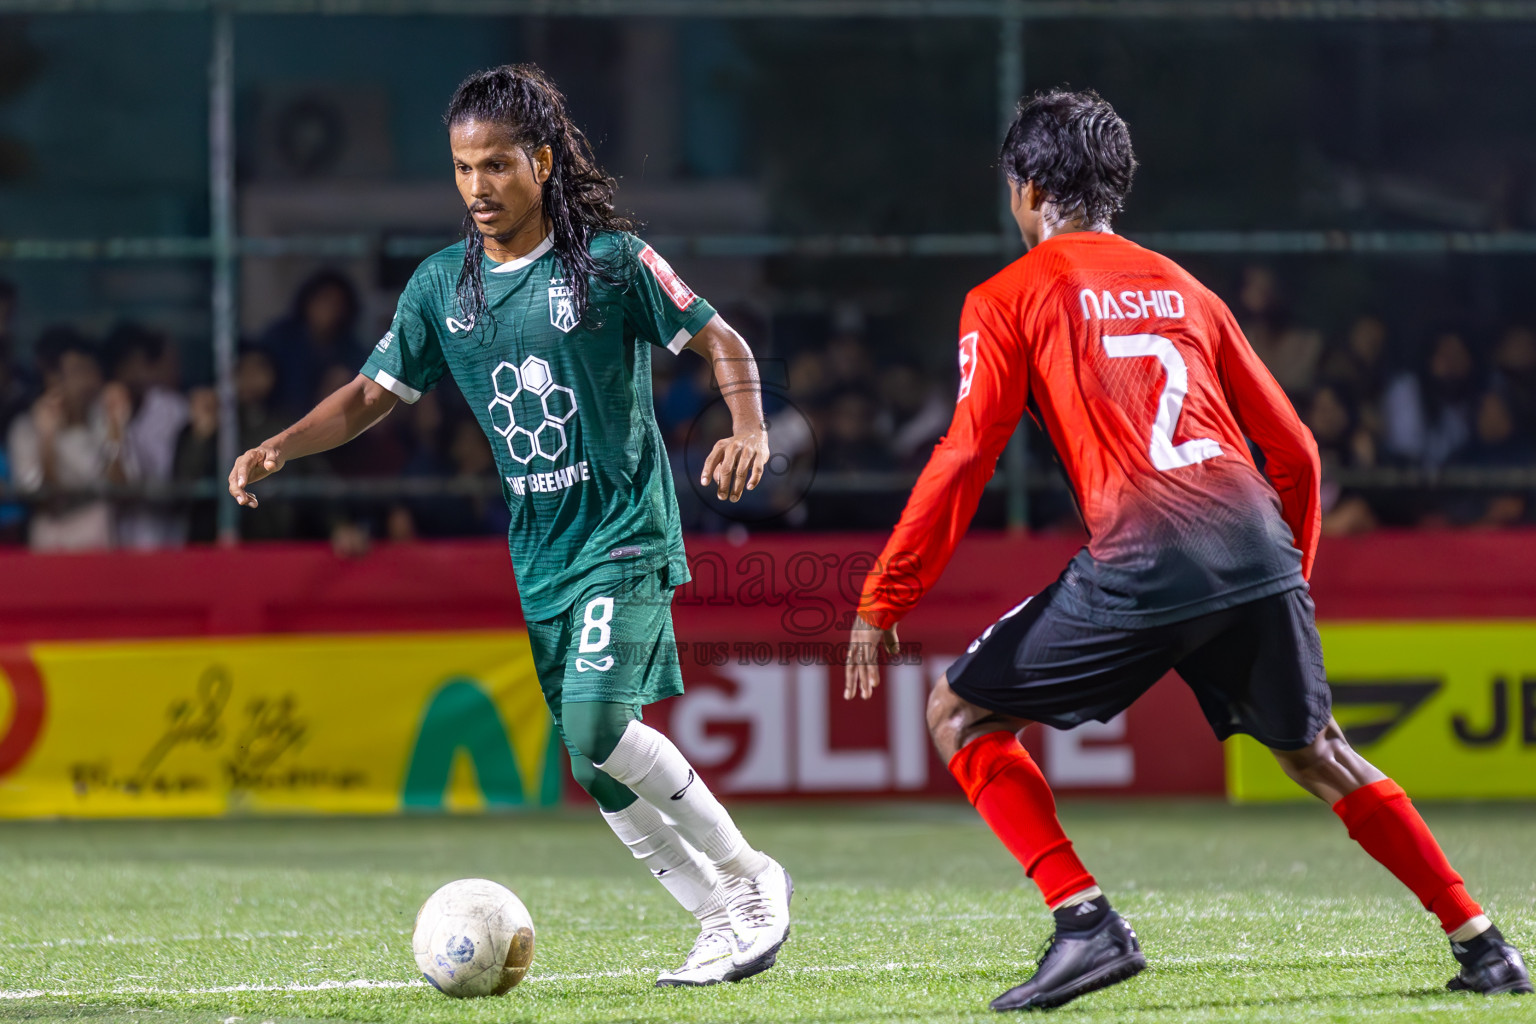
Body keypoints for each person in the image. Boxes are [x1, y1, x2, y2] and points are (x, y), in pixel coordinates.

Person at [844, 90, 1531, 1012]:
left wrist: (885, 595)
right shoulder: (1183, 285)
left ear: (1031, 187)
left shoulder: (1007, 296)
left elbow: (967, 454)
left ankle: (1085, 925)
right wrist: (1288, 577)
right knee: (1319, 751)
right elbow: (1294, 447)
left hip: (1144, 552)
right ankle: (1483, 943)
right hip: (1255, 544)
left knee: (960, 715)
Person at [228, 64, 791, 988]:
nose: (478, 187)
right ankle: (717, 917)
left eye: (496, 165)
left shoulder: (610, 261)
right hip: (541, 552)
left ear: (540, 161)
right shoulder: (440, 287)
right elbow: (373, 394)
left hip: (623, 531)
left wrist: (750, 426)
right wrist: (281, 447)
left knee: (600, 723)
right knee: (592, 761)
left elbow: (720, 339)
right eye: (462, 167)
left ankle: (749, 879)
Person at [7, 328, 137, 551]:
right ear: (52, 378)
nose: (89, 382)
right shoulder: (26, 429)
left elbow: (123, 493)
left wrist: (115, 430)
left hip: (102, 552)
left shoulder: (104, 421)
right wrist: (47, 441)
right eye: (78, 371)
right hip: (52, 554)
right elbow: (44, 500)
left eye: (92, 370)